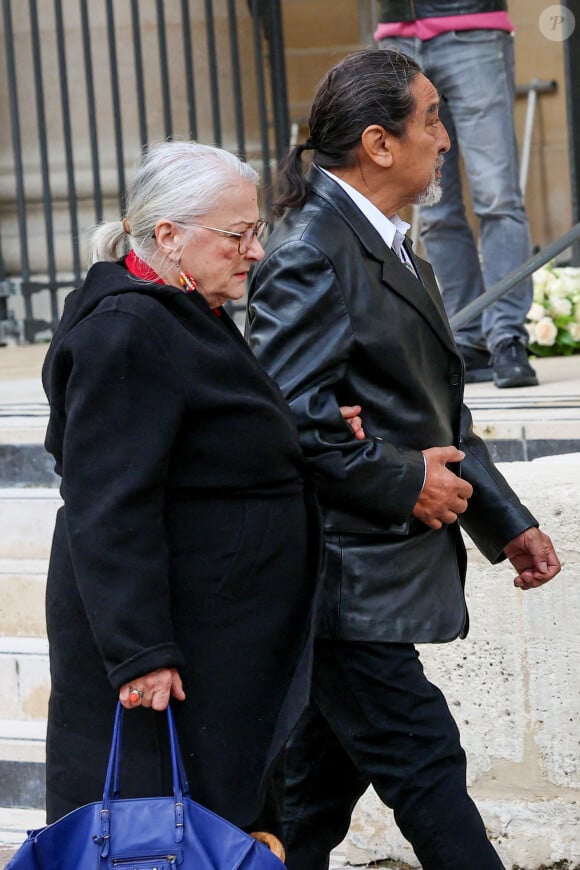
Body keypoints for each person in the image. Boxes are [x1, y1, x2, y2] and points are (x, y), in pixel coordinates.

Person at [246, 48, 561, 869]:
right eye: (431, 120)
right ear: (380, 144)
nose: (446, 139)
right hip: (343, 580)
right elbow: (288, 421)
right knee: (426, 763)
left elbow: (438, 413)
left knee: (309, 799)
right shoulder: (312, 249)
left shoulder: (389, 242)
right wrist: (405, 478)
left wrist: (507, 522)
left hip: (380, 576)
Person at [41, 139, 364, 857]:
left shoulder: (182, 307)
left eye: (256, 231)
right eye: (237, 234)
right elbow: (107, 502)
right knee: (159, 836)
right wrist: (141, 652)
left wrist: (283, 432)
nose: (254, 250)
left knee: (221, 826)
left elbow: (200, 435)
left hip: (218, 633)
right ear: (168, 236)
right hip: (170, 650)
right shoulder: (125, 330)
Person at [375, 0, 539, 388]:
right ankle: (467, 335)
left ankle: (507, 337)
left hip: (473, 27)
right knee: (431, 204)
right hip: (399, 36)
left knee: (497, 196)